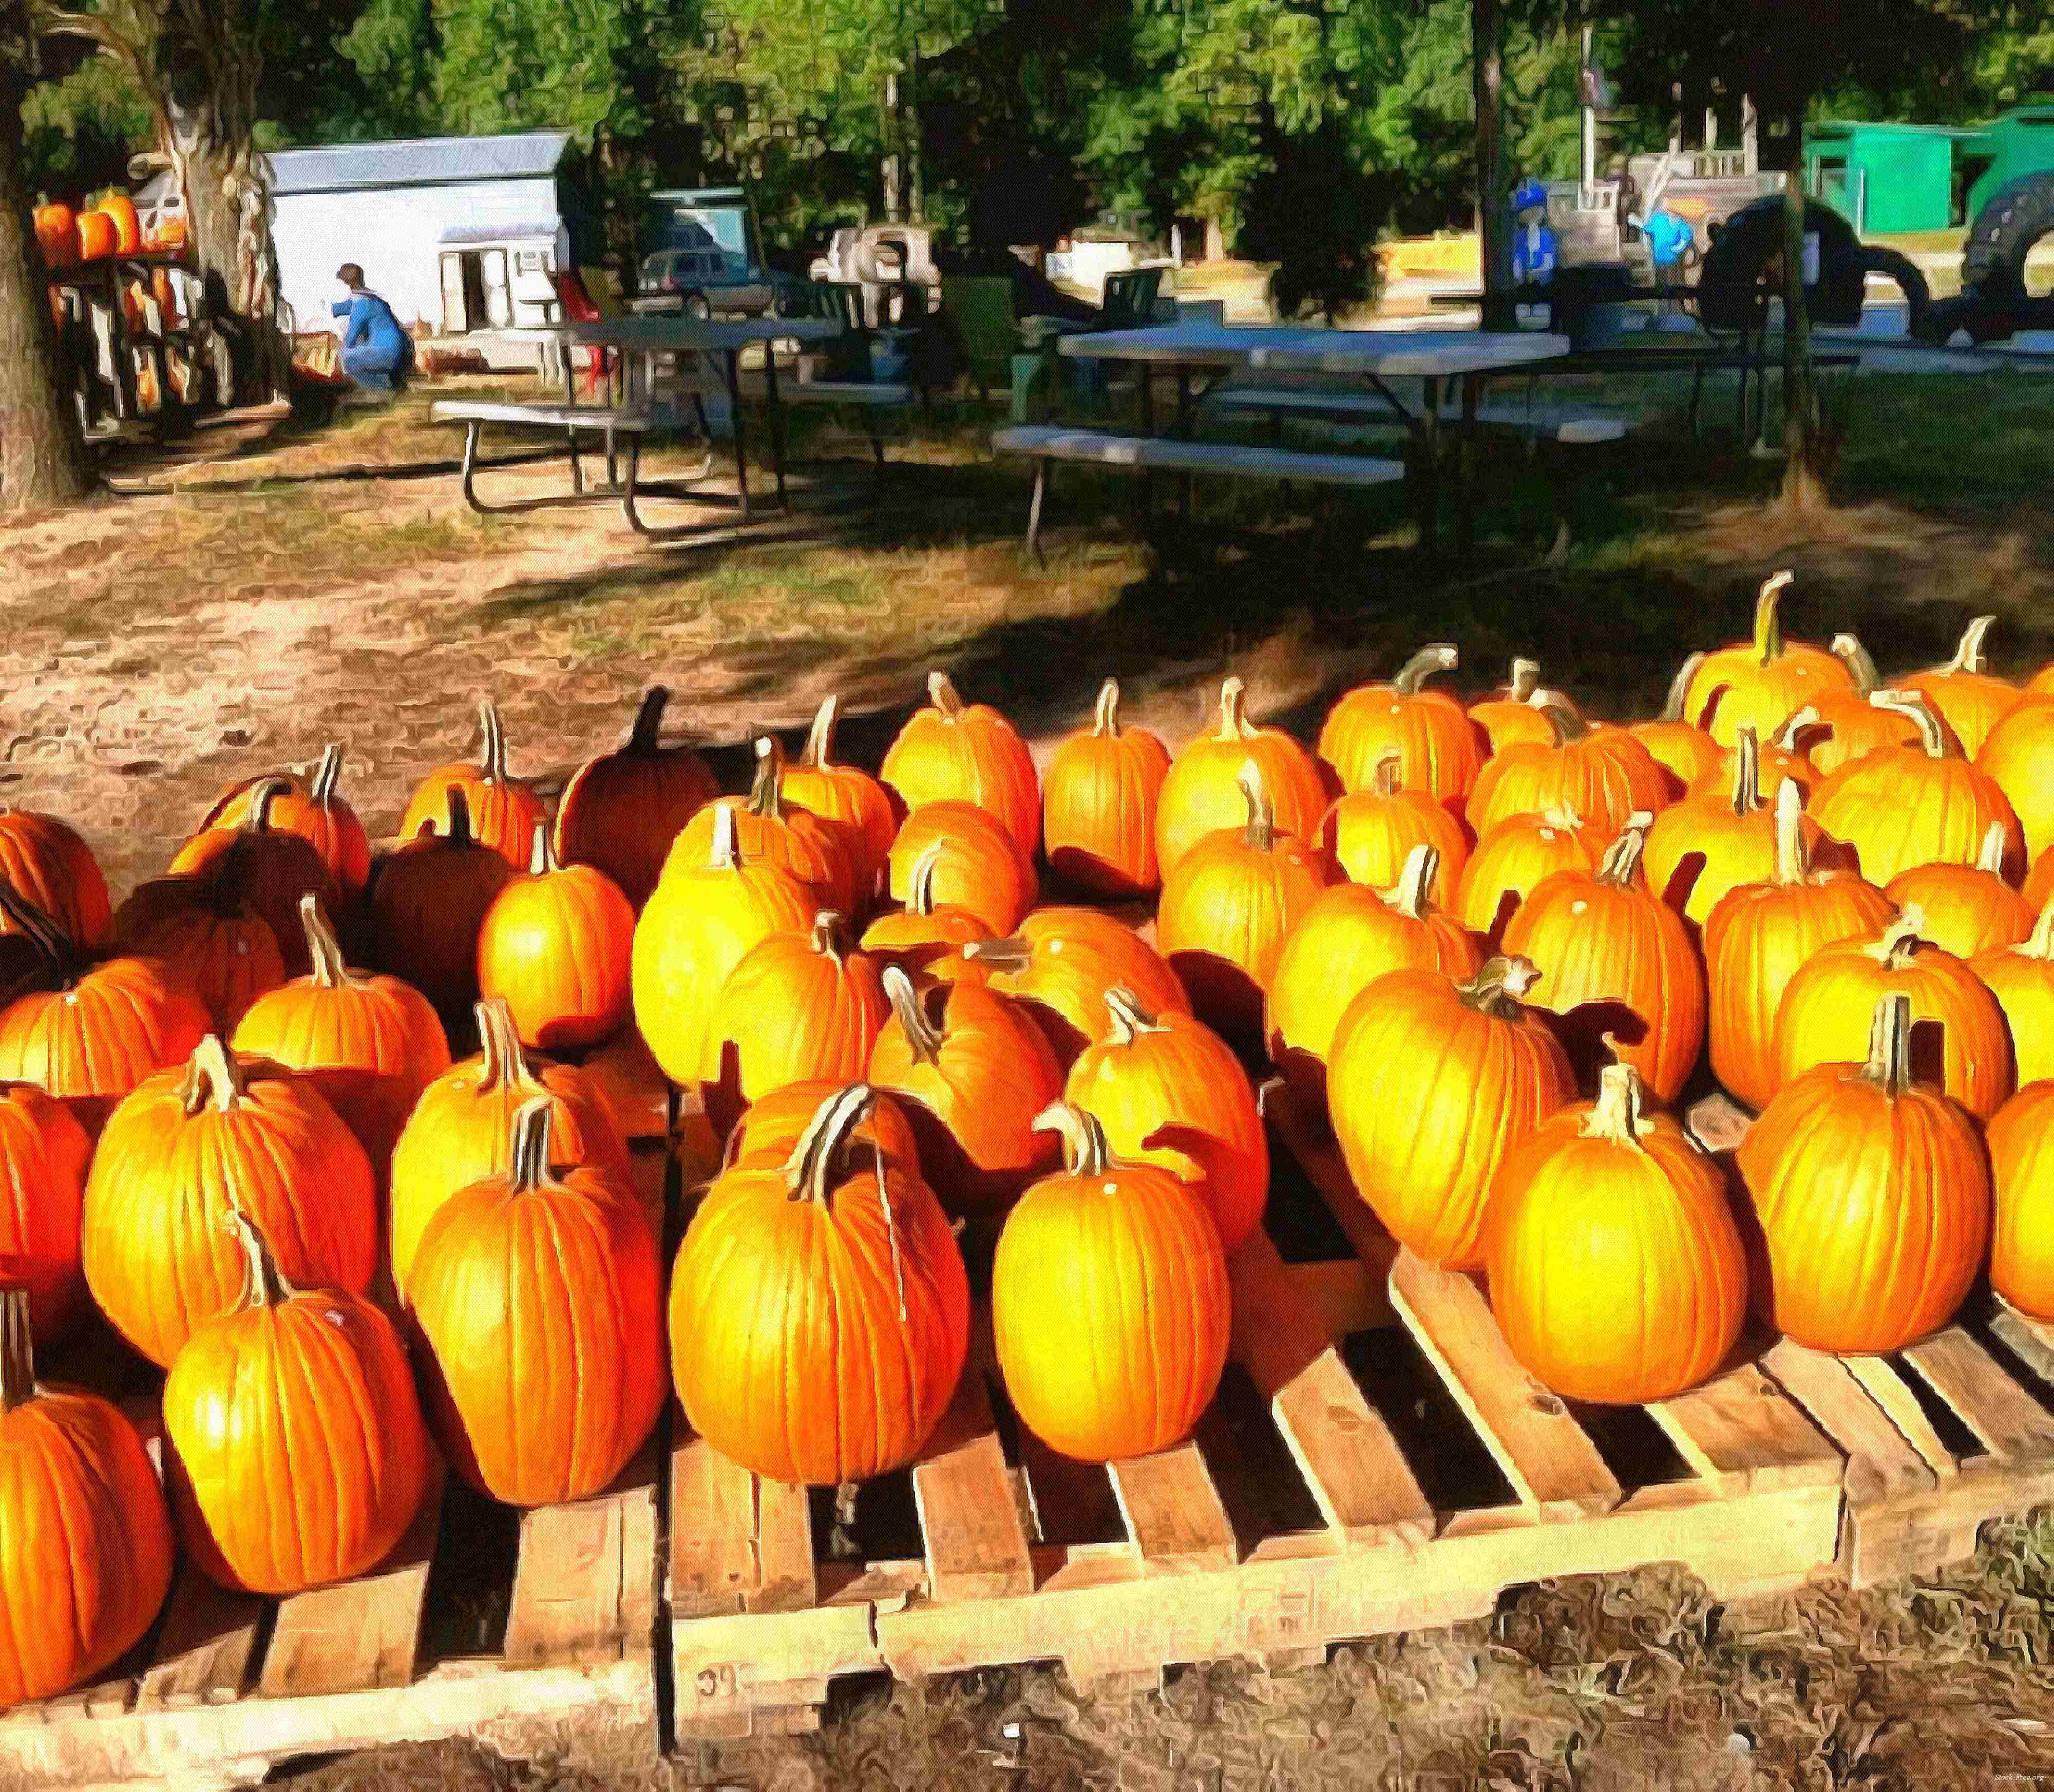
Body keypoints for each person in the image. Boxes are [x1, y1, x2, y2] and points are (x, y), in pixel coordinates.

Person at [331, 263, 413, 392]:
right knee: (360, 349)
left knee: (346, 358)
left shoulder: (362, 303)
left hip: (387, 354)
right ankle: (394, 383)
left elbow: (350, 338)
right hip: (401, 352)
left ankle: (384, 388)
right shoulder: (370, 298)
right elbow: (341, 308)